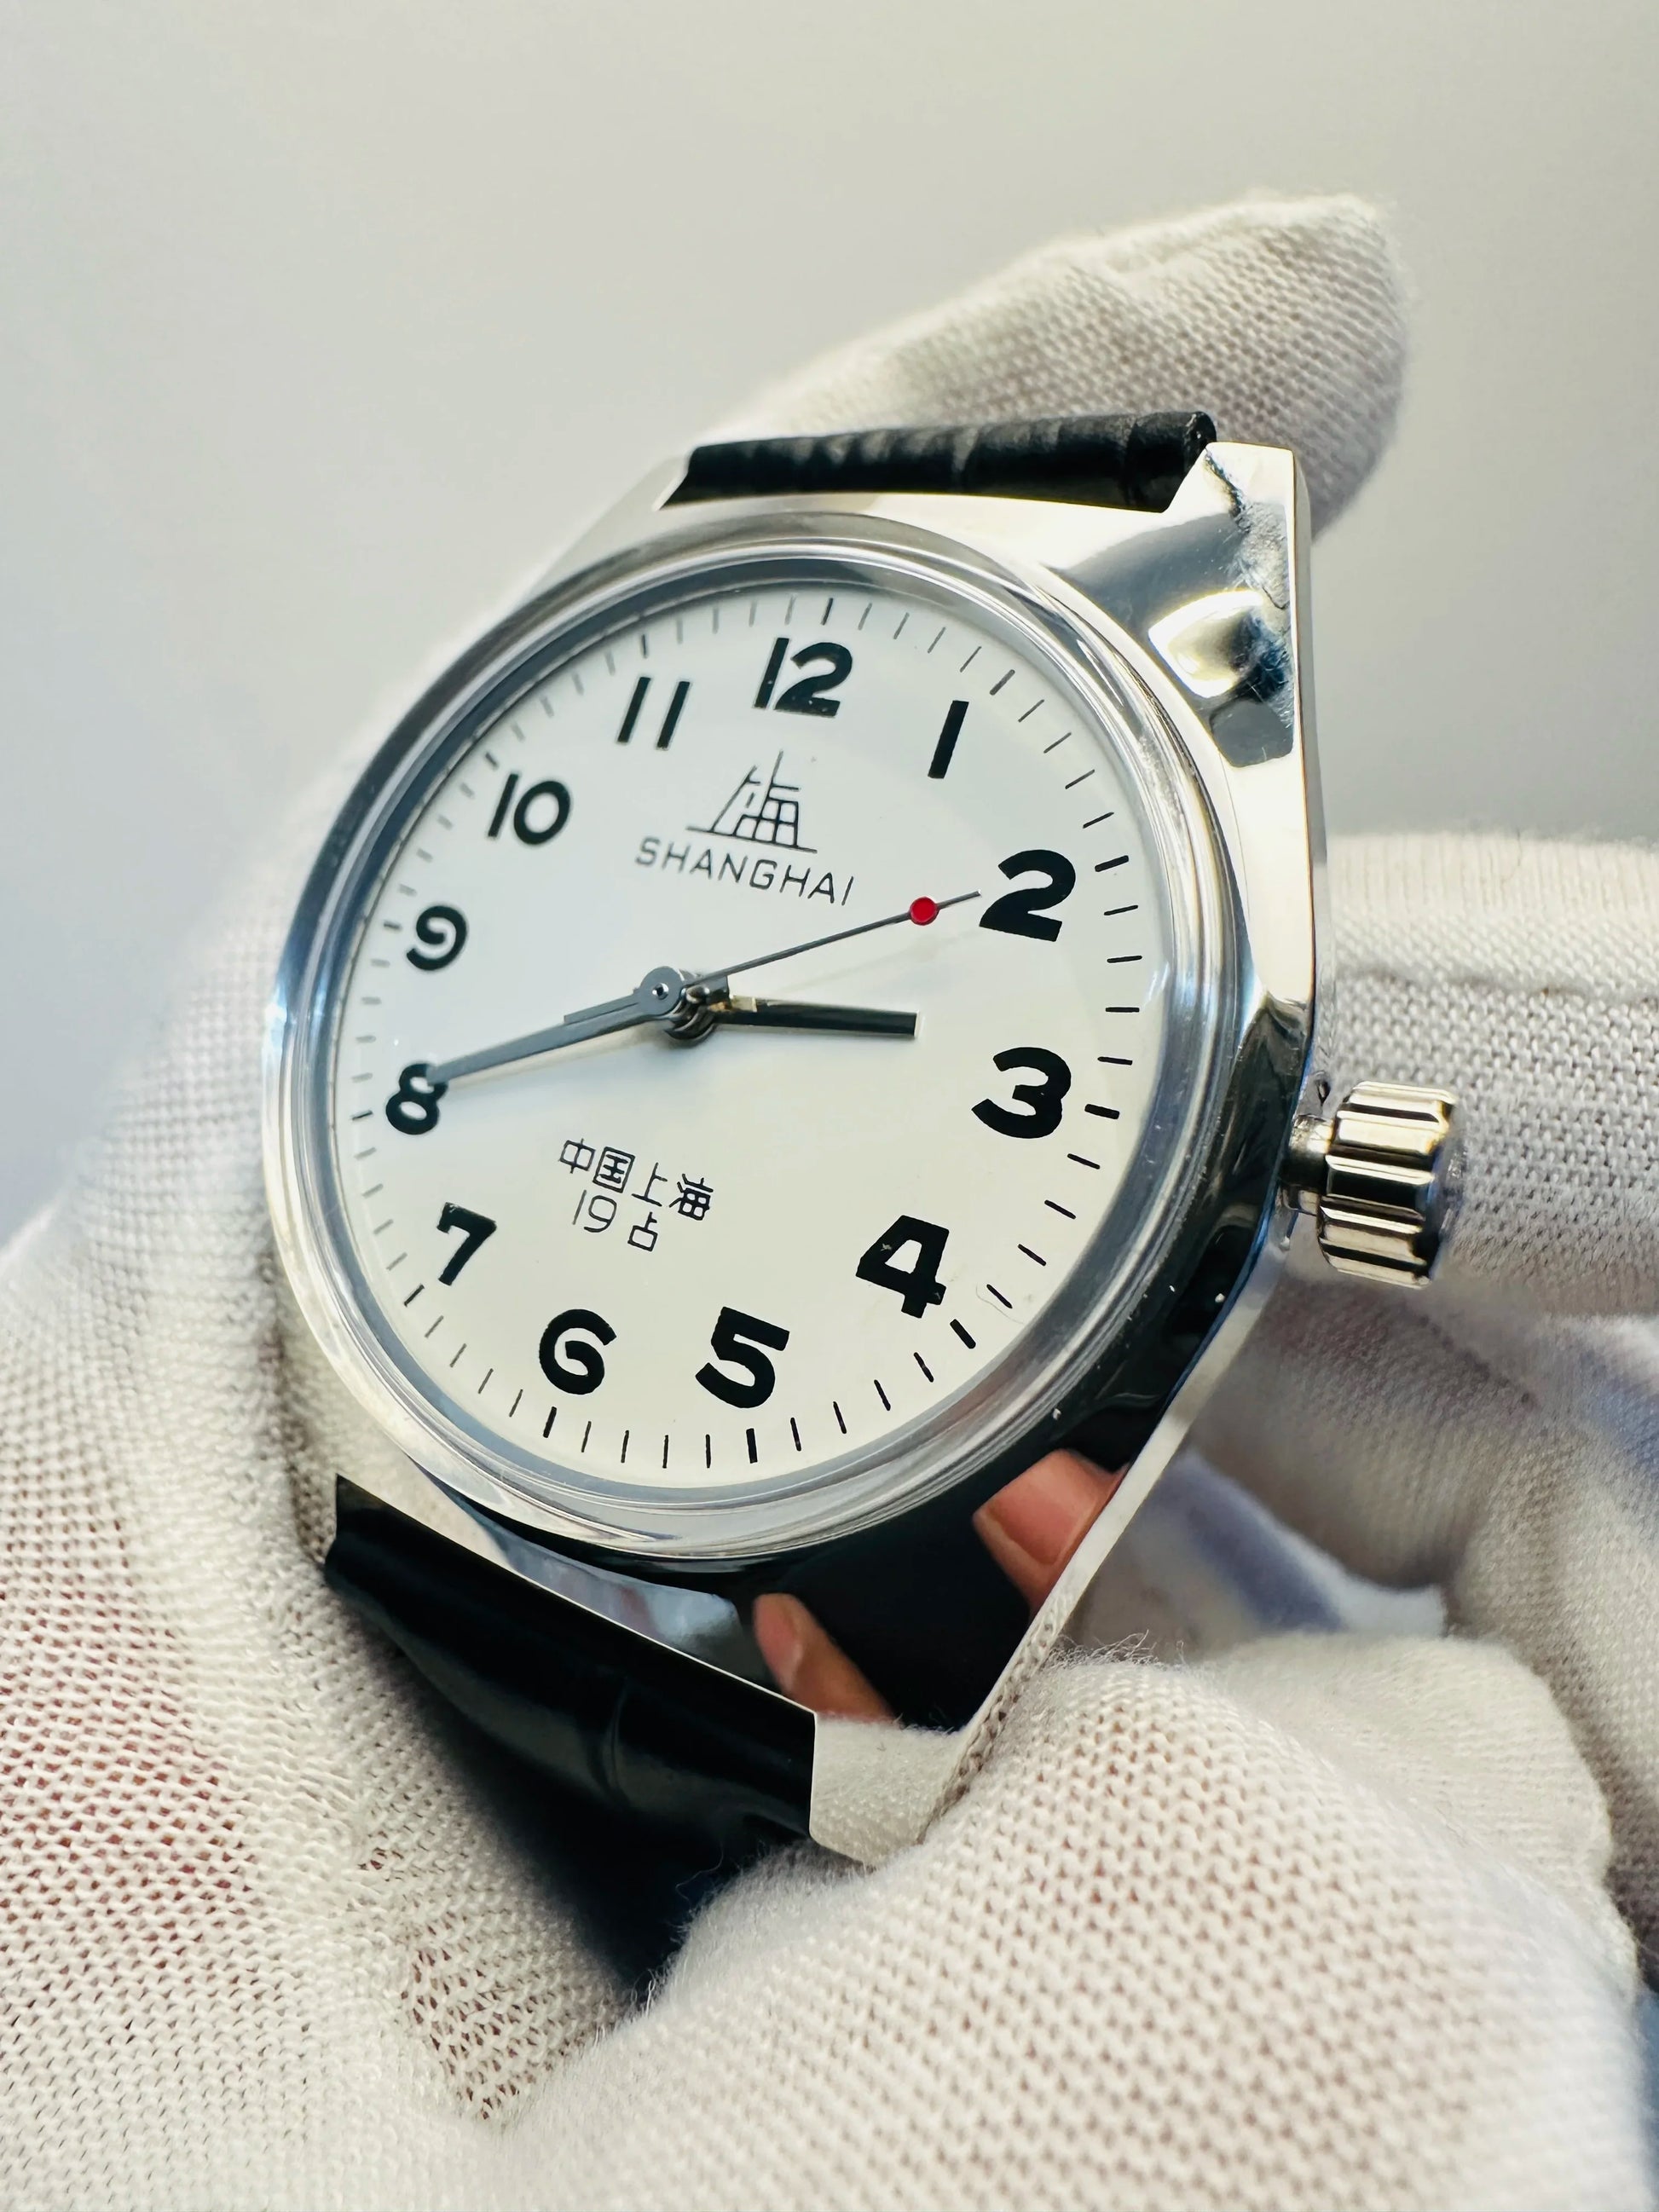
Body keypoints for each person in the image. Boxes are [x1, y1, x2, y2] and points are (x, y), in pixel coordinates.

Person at [3, 193, 1656, 2209]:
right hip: (428, 1469)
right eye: (680, 999)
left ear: (1303, 1169)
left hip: (751, 1588)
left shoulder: (1140, 946)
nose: (688, 1004)